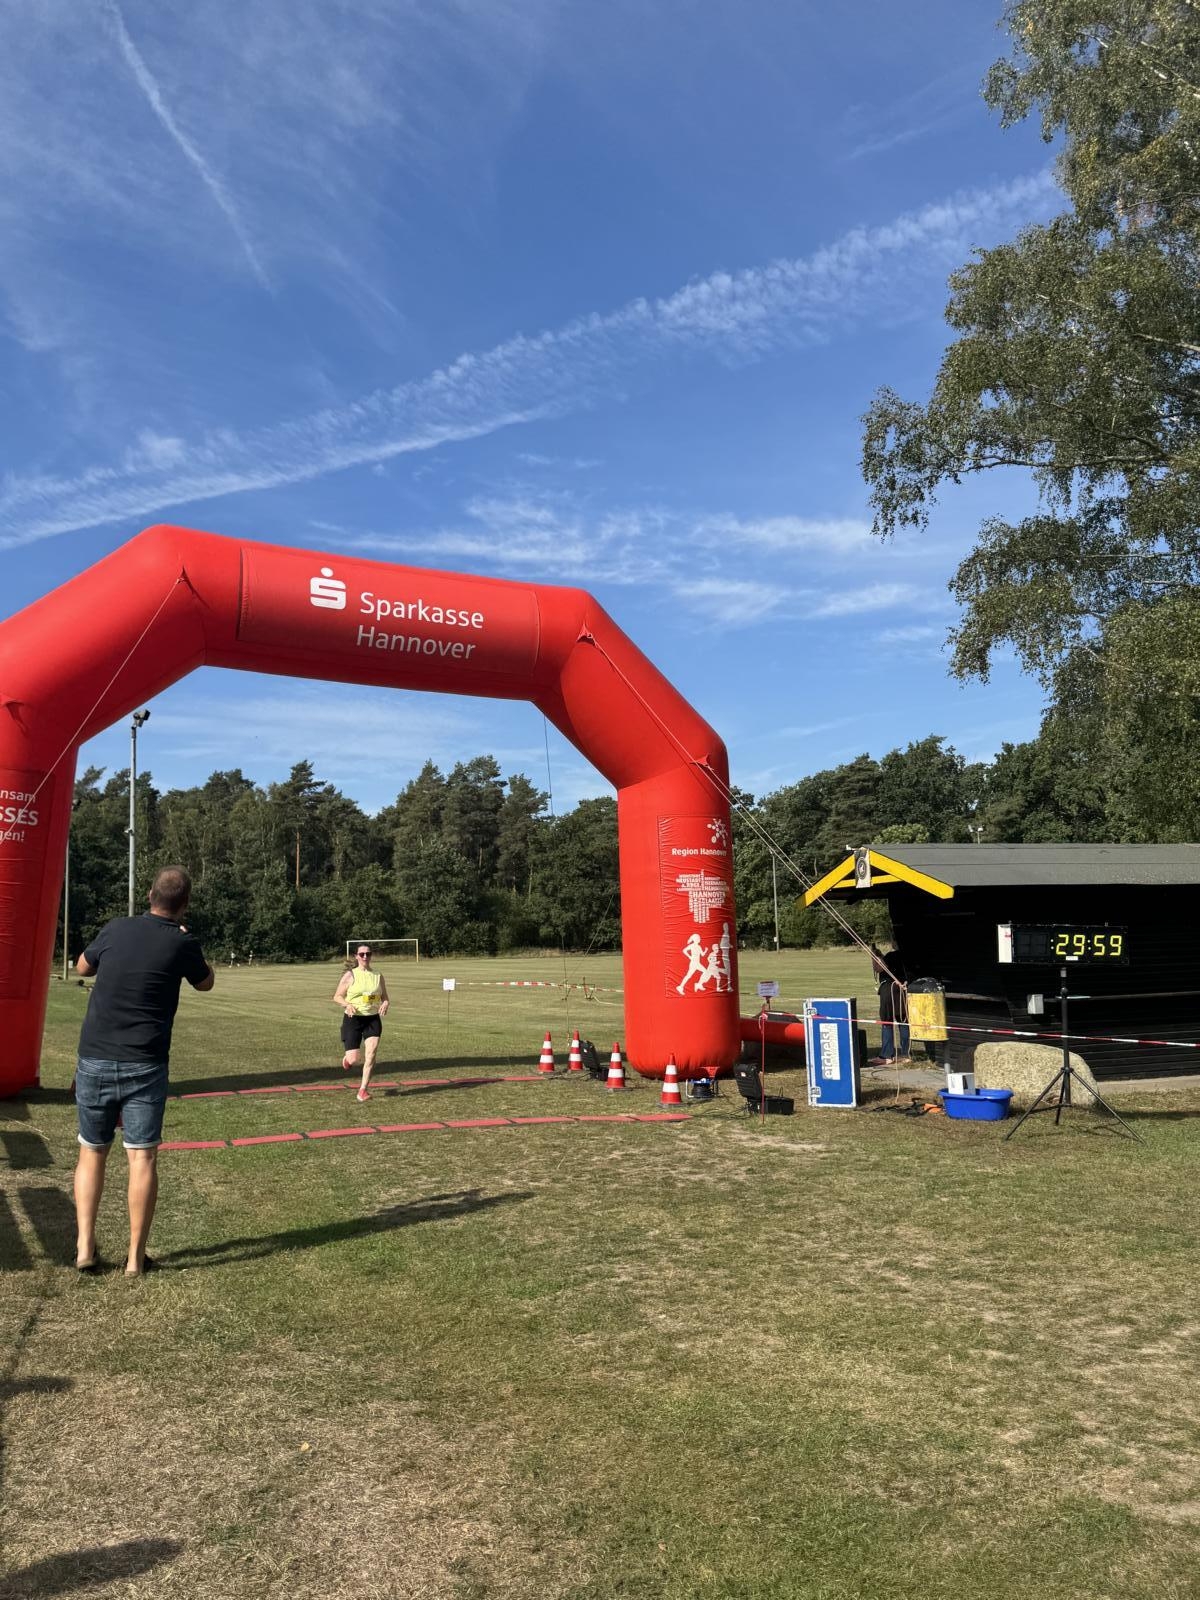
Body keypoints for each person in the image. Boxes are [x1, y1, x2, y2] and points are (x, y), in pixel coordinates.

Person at [73, 865, 214, 1277]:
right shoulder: (183, 942)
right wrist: (187, 939)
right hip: (146, 1063)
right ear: (184, 904)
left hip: (96, 1056)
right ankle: (135, 1259)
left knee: (92, 1150)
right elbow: (205, 982)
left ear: (150, 895)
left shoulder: (115, 928)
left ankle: (84, 1246)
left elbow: (82, 967)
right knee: (142, 1157)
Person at [334, 943, 390, 1101]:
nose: (365, 956)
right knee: (354, 1059)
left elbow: (385, 997)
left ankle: (363, 1090)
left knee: (371, 1055)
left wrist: (385, 1003)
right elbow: (337, 996)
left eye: (368, 954)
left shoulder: (378, 975)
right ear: (356, 956)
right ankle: (347, 1059)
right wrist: (347, 1005)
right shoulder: (350, 975)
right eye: (362, 954)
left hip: (372, 1019)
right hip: (354, 1019)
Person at [868, 944, 910, 1065]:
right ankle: (906, 1054)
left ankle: (886, 1055)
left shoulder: (892, 955)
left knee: (887, 1021)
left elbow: (880, 968)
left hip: (889, 989)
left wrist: (875, 956)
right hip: (902, 990)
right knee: (903, 1021)